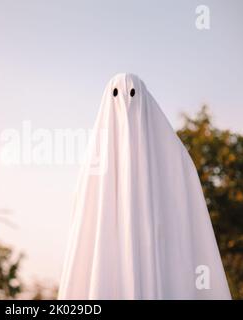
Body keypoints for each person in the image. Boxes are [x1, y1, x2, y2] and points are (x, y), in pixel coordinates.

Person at [58, 73, 231, 299]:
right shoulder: (93, 167)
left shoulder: (176, 159)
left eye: (132, 95)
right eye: (116, 95)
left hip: (161, 263)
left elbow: (187, 223)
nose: (126, 104)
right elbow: (85, 230)